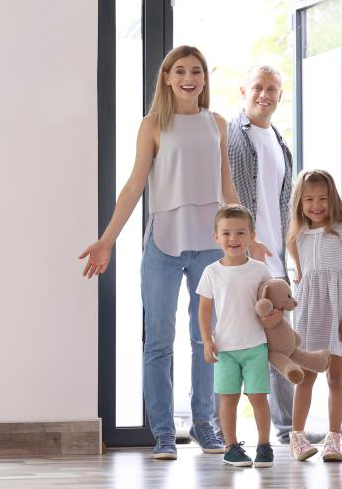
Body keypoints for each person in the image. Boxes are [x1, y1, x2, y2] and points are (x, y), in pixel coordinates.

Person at [79, 45, 265, 460]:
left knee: (206, 340)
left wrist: (247, 235)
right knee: (159, 341)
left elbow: (227, 186)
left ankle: (204, 425)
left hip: (210, 248)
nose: (188, 78)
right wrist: (107, 239)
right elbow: (134, 186)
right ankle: (163, 433)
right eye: (179, 71)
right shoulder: (153, 125)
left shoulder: (217, 124)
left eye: (196, 71)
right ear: (166, 77)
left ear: (204, 78)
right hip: (163, 244)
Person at [227, 65, 323, 445]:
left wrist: (292, 255)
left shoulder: (280, 143)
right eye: (257, 87)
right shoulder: (232, 136)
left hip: (274, 261)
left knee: (279, 340)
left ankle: (287, 428)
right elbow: (227, 197)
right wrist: (245, 242)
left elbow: (285, 209)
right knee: (235, 342)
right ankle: (220, 428)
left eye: (271, 89)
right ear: (243, 90)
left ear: (280, 96)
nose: (264, 95)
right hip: (243, 259)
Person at [286, 169, 342, 463]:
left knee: (336, 376)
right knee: (306, 376)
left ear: (333, 199)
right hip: (310, 314)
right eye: (309, 199)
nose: (316, 205)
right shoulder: (297, 238)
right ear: (300, 203)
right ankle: (297, 437)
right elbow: (303, 277)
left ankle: (333, 439)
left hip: (339, 312)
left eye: (322, 198)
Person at [197, 204, 274, 468]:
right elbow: (204, 309)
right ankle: (231, 447)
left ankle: (264, 446)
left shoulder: (260, 270)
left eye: (241, 233)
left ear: (252, 235)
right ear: (216, 237)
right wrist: (207, 341)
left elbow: (272, 303)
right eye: (227, 233)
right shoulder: (211, 271)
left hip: (256, 346)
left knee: (258, 398)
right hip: (225, 348)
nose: (234, 239)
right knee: (228, 399)